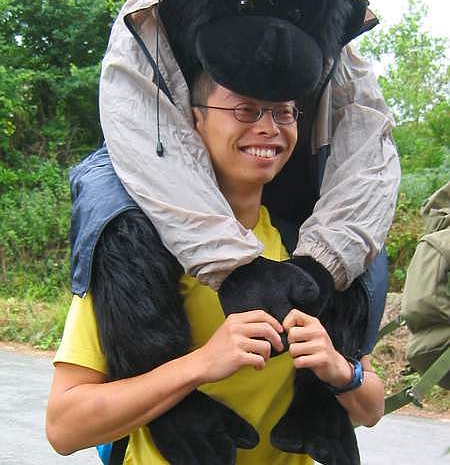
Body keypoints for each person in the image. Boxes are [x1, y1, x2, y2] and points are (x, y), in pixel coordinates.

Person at [46, 72, 385, 464]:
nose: (268, 127)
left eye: (283, 112)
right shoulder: (138, 250)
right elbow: (64, 427)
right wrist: (201, 364)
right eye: (245, 110)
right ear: (196, 119)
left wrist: (339, 370)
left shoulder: (312, 250)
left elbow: (370, 410)